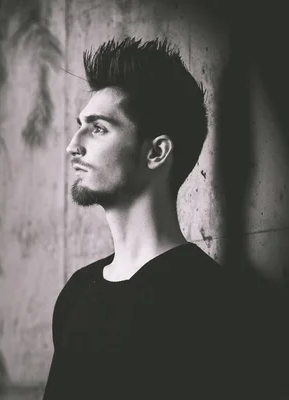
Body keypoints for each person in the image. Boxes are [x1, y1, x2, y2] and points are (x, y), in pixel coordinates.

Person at [42, 37, 284, 399]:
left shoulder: (216, 304)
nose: (73, 144)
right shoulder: (76, 292)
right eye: (80, 125)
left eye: (98, 128)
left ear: (156, 152)